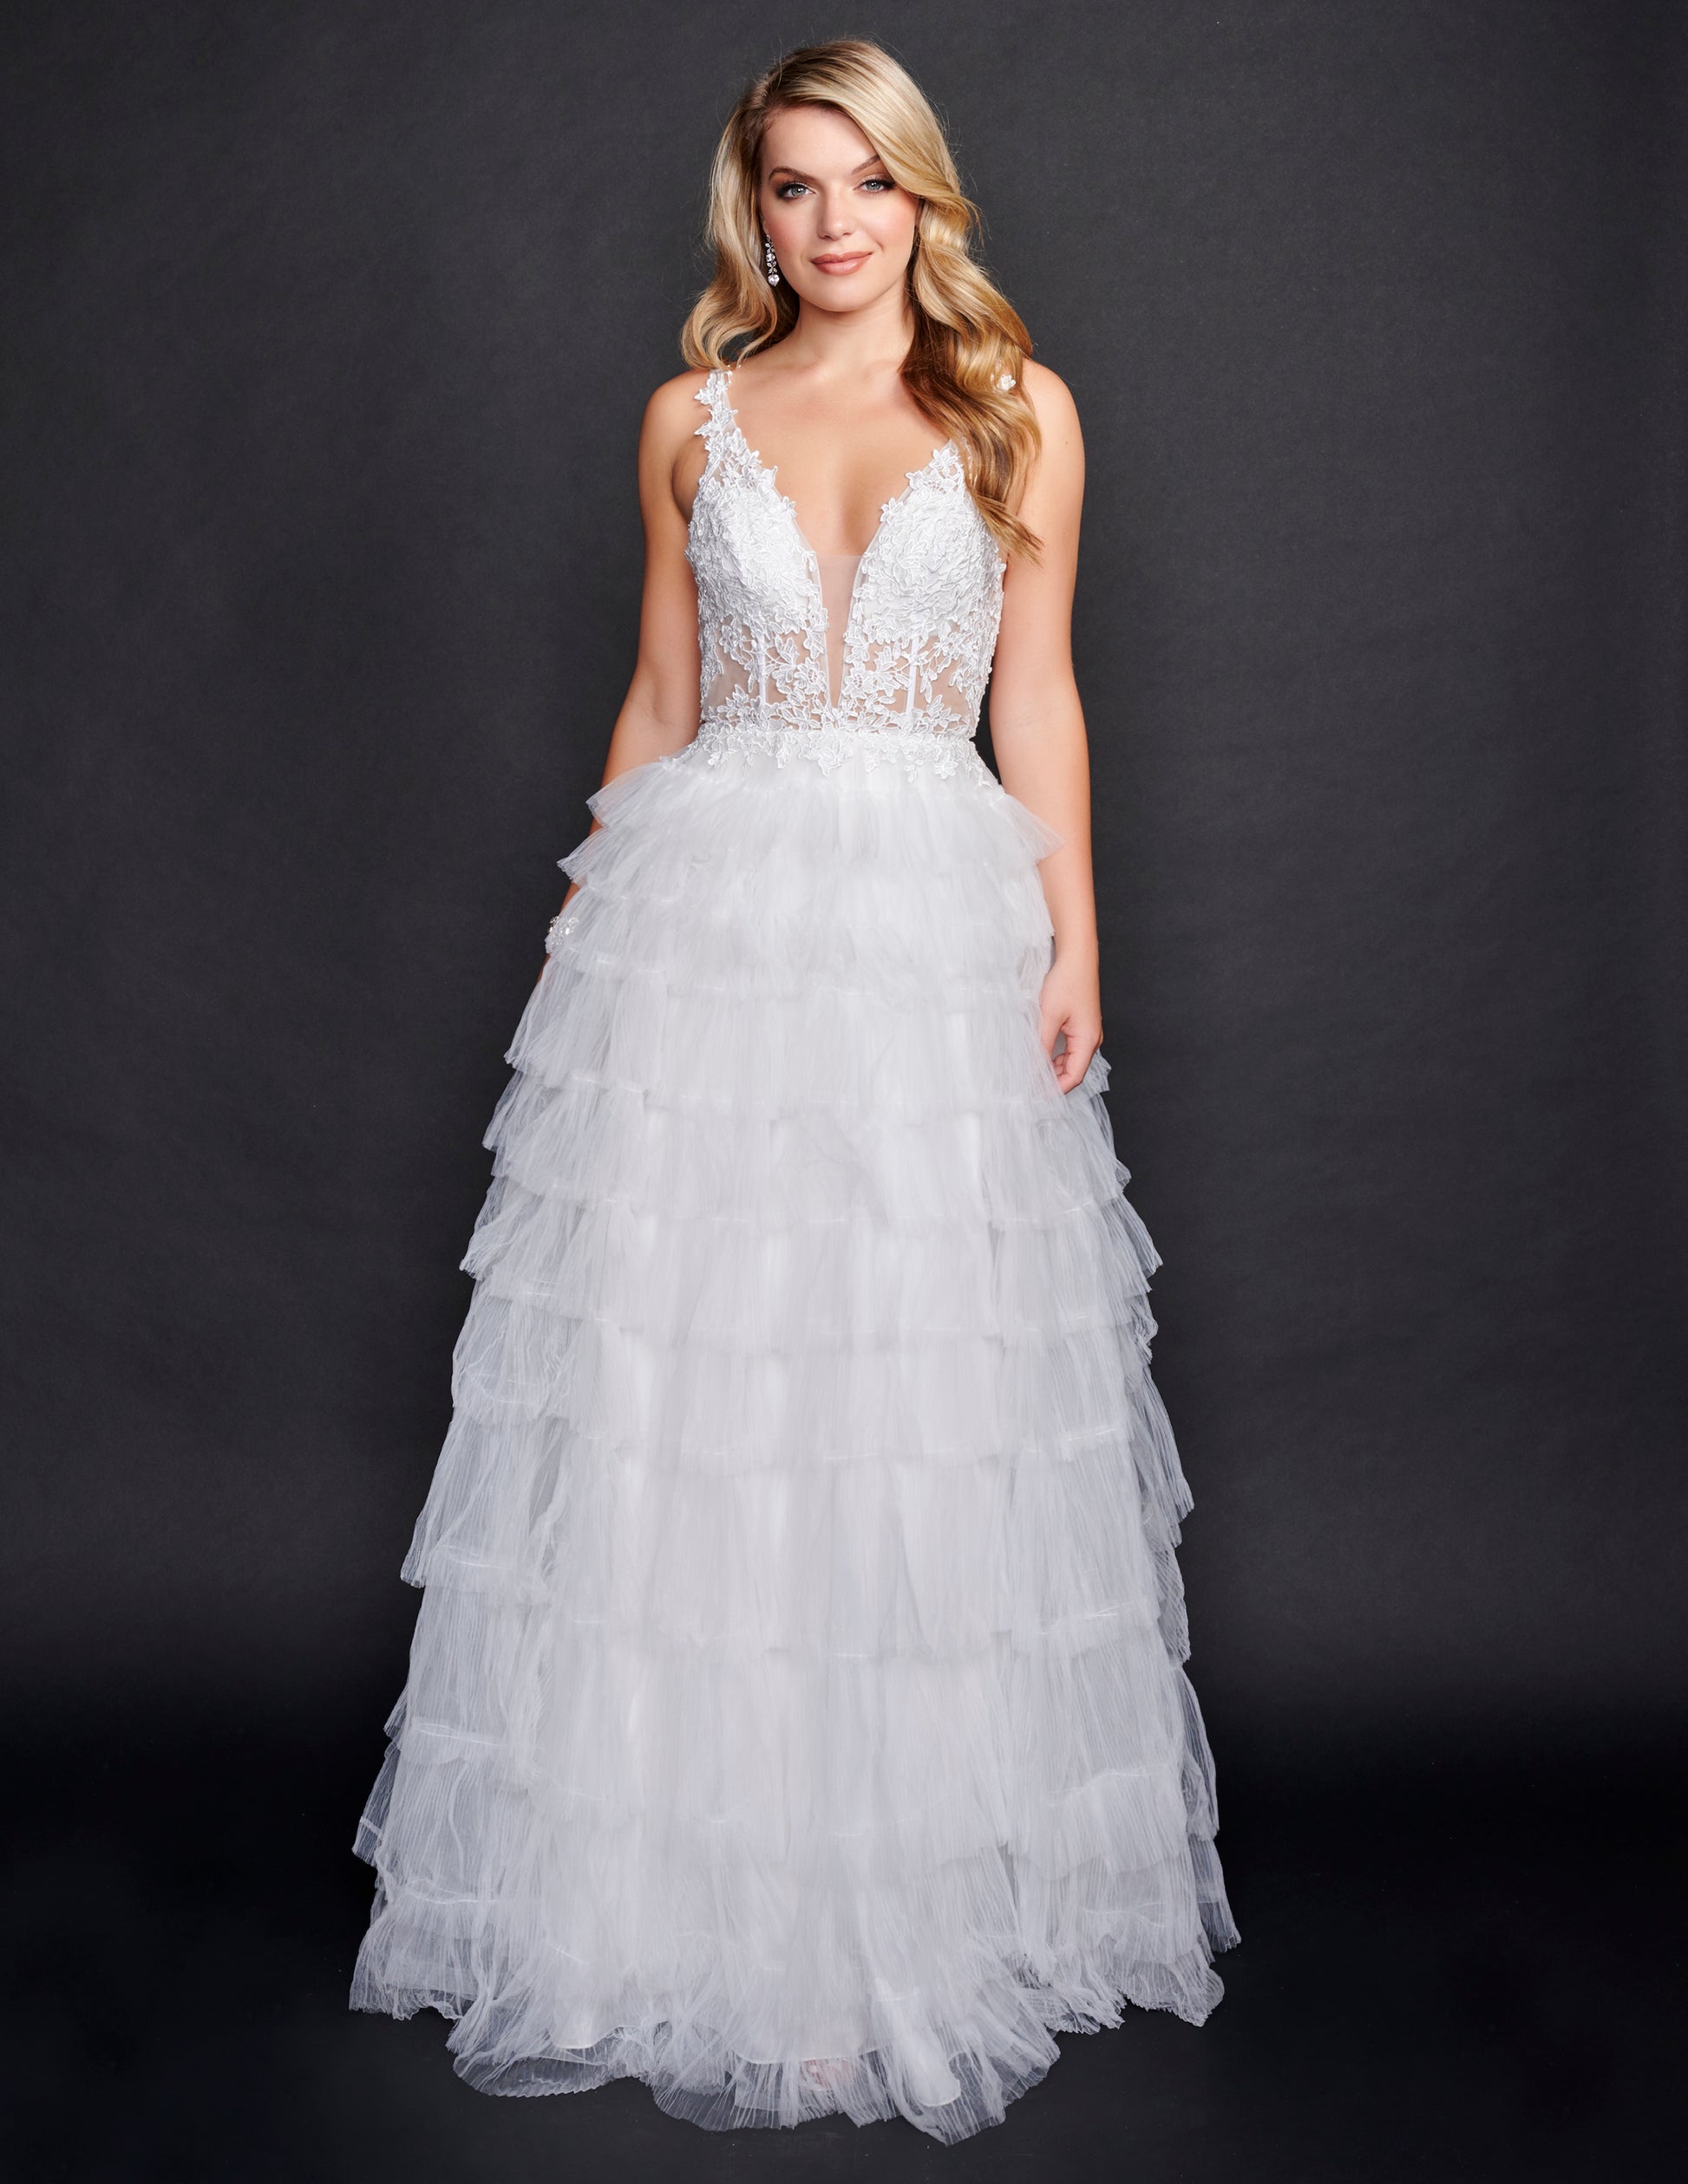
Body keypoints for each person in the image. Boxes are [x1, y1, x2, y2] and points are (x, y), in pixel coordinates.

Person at [350, 37, 1237, 2144]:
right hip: (709, 932)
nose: (830, 224)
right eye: (791, 188)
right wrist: (585, 931)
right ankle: (692, 1902)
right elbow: (662, 693)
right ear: (750, 209)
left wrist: (1076, 943)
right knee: (703, 1391)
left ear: (924, 198)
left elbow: (1038, 696)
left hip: (931, 929)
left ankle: (881, 1916)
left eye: (866, 184)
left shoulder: (1019, 411)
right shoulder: (689, 419)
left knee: (902, 1386)